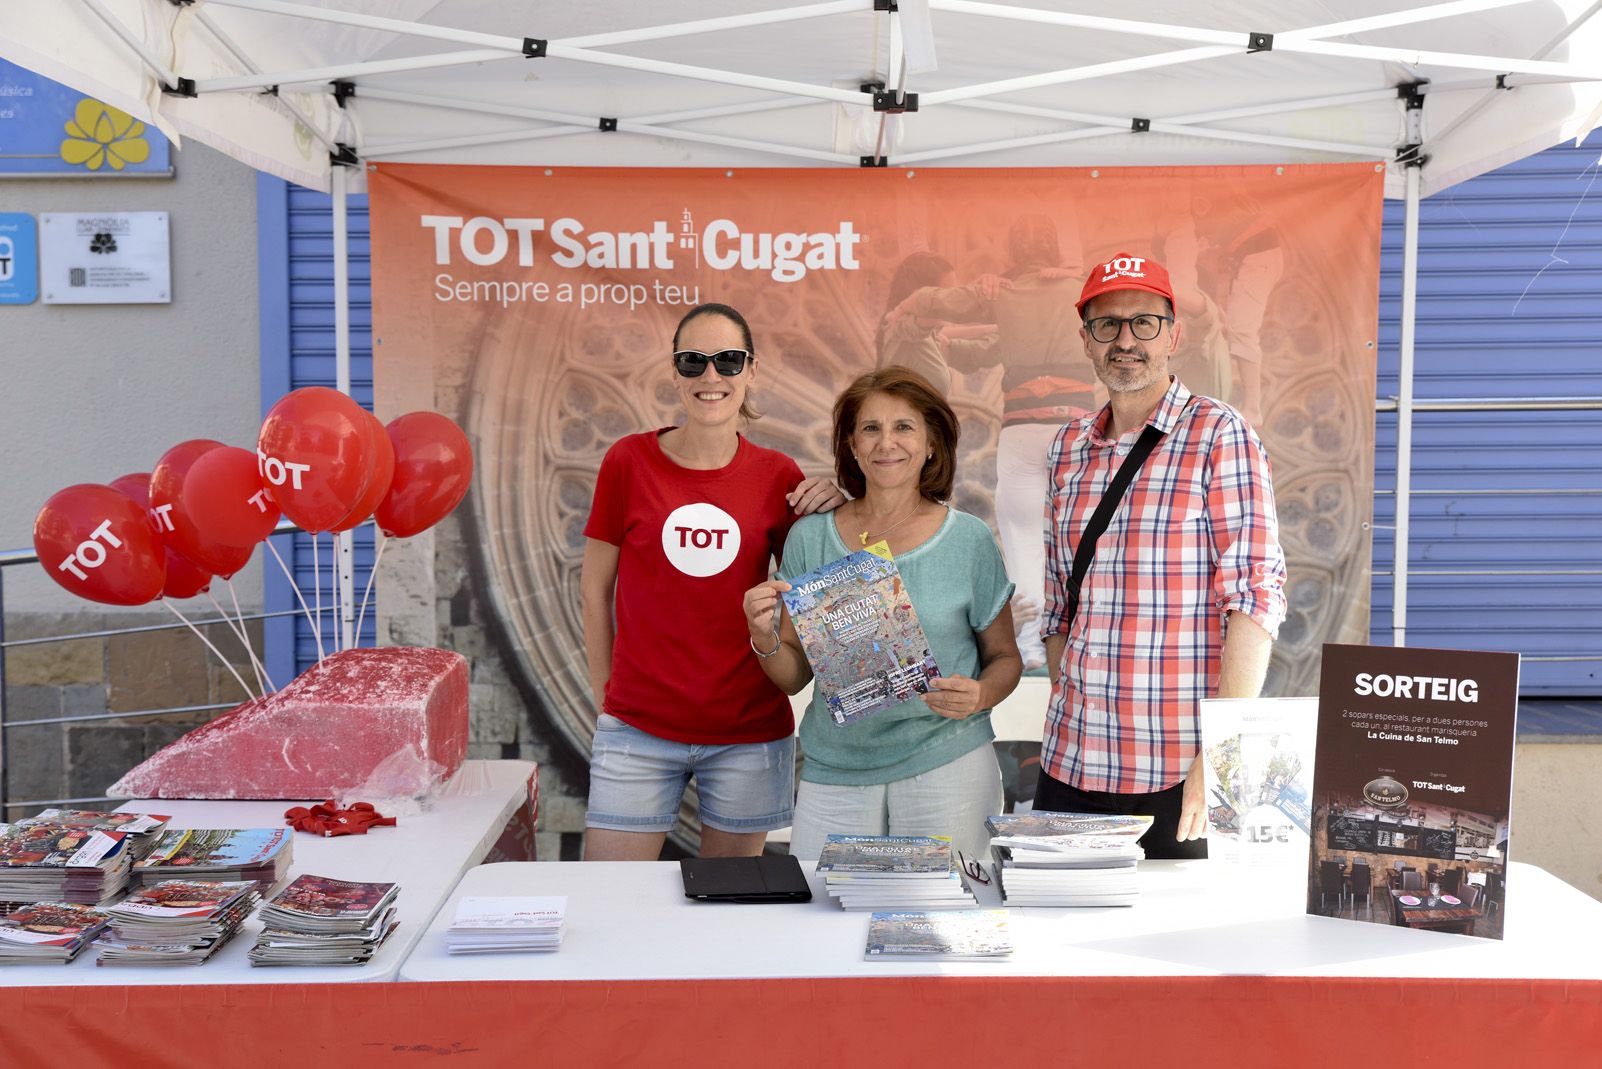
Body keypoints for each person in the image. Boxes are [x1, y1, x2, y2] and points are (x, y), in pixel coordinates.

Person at [1036, 252, 1287, 860]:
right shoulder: (1068, 447)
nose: (1126, 340)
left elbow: (1254, 601)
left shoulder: (1218, 435)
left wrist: (1219, 758)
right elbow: (1057, 607)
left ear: (1174, 334)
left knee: (1178, 952)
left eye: (1144, 322)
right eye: (1107, 325)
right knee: (1061, 947)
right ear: (1086, 341)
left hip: (1179, 772)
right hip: (1073, 764)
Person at [580, 303, 843, 861]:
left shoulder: (780, 476)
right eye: (693, 362)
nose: (711, 377)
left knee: (731, 916)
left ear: (751, 371)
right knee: (608, 906)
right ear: (675, 373)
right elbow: (594, 589)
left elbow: (819, 583)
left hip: (748, 732)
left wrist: (841, 507)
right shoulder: (628, 462)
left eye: (727, 360)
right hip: (638, 730)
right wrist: (607, 699)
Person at [744, 368, 1023, 860]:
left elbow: (1005, 658)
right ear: (851, 445)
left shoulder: (967, 540)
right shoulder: (811, 538)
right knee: (824, 921)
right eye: (870, 428)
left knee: (946, 923)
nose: (885, 443)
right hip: (836, 771)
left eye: (904, 427)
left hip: (947, 763)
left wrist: (981, 694)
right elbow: (792, 677)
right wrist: (761, 635)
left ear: (932, 443)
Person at [893, 214, 1091, 670]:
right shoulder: (1077, 290)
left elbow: (937, 302)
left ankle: (1030, 644)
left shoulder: (1002, 293)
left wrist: (914, 307)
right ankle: (1082, 634)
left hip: (1022, 428)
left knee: (1021, 535)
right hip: (1076, 427)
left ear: (1014, 253)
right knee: (1081, 537)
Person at [873, 250, 996, 397]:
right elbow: (943, 310)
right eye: (945, 294)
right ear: (921, 293)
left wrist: (992, 328)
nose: (950, 299)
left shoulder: (923, 333)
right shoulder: (899, 327)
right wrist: (980, 291)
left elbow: (943, 330)